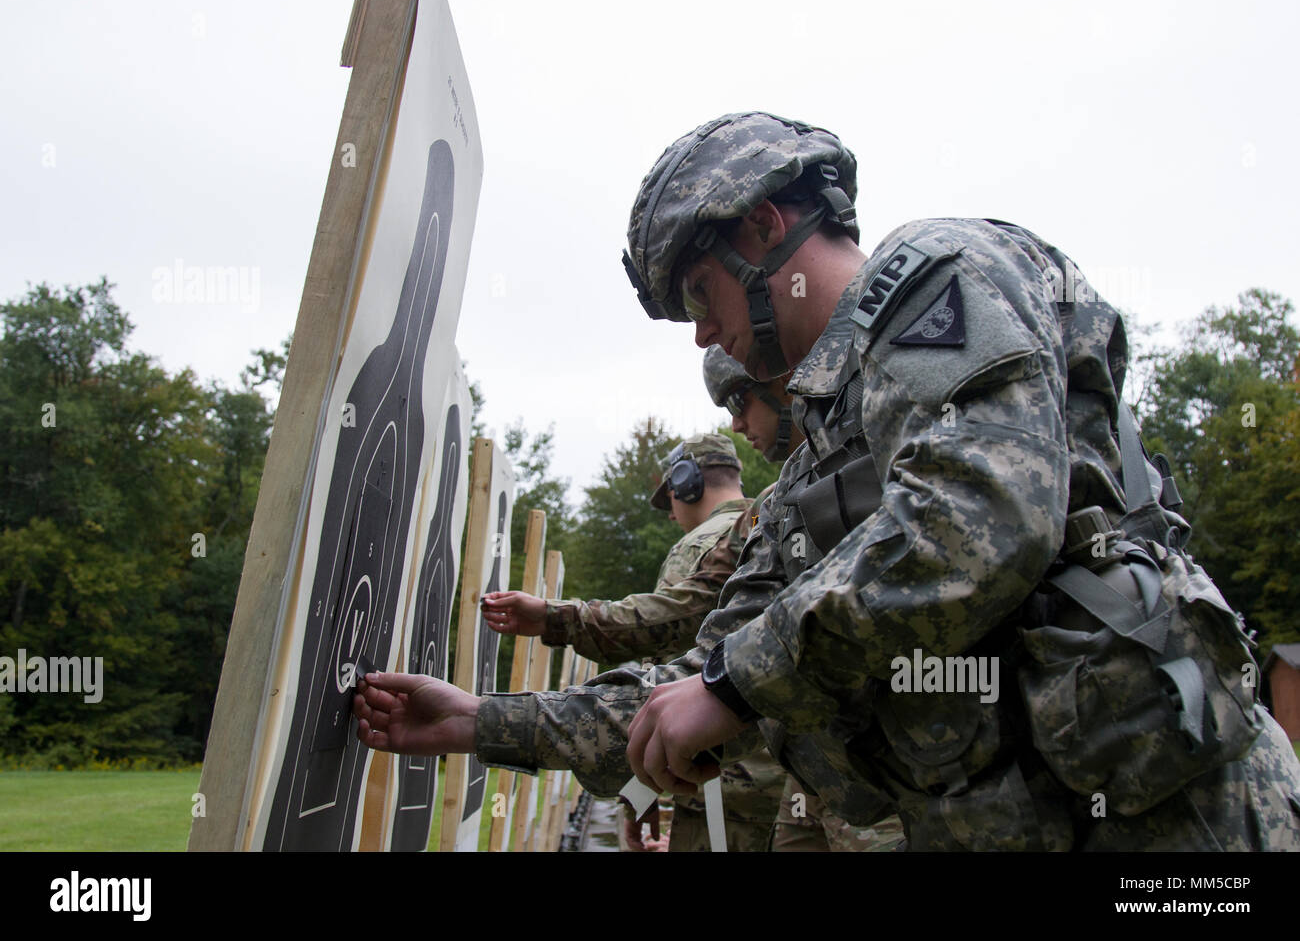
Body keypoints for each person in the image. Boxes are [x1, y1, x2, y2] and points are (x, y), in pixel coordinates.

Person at [358, 112, 1300, 850]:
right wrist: (484, 722)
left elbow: (977, 521)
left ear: (765, 228)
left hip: (1178, 823)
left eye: (696, 294)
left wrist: (735, 681)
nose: (699, 334)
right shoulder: (814, 466)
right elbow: (703, 671)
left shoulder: (943, 273)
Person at [480, 433, 786, 851]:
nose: (671, 515)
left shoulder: (696, 546)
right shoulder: (777, 515)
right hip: (793, 779)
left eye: (670, 500)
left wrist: (636, 792)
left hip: (725, 786)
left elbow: (660, 680)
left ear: (686, 482)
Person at [704, 343, 902, 852]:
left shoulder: (890, 440)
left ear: (780, 381)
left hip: (897, 780)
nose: (736, 425)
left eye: (737, 403)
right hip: (823, 770)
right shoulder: (787, 494)